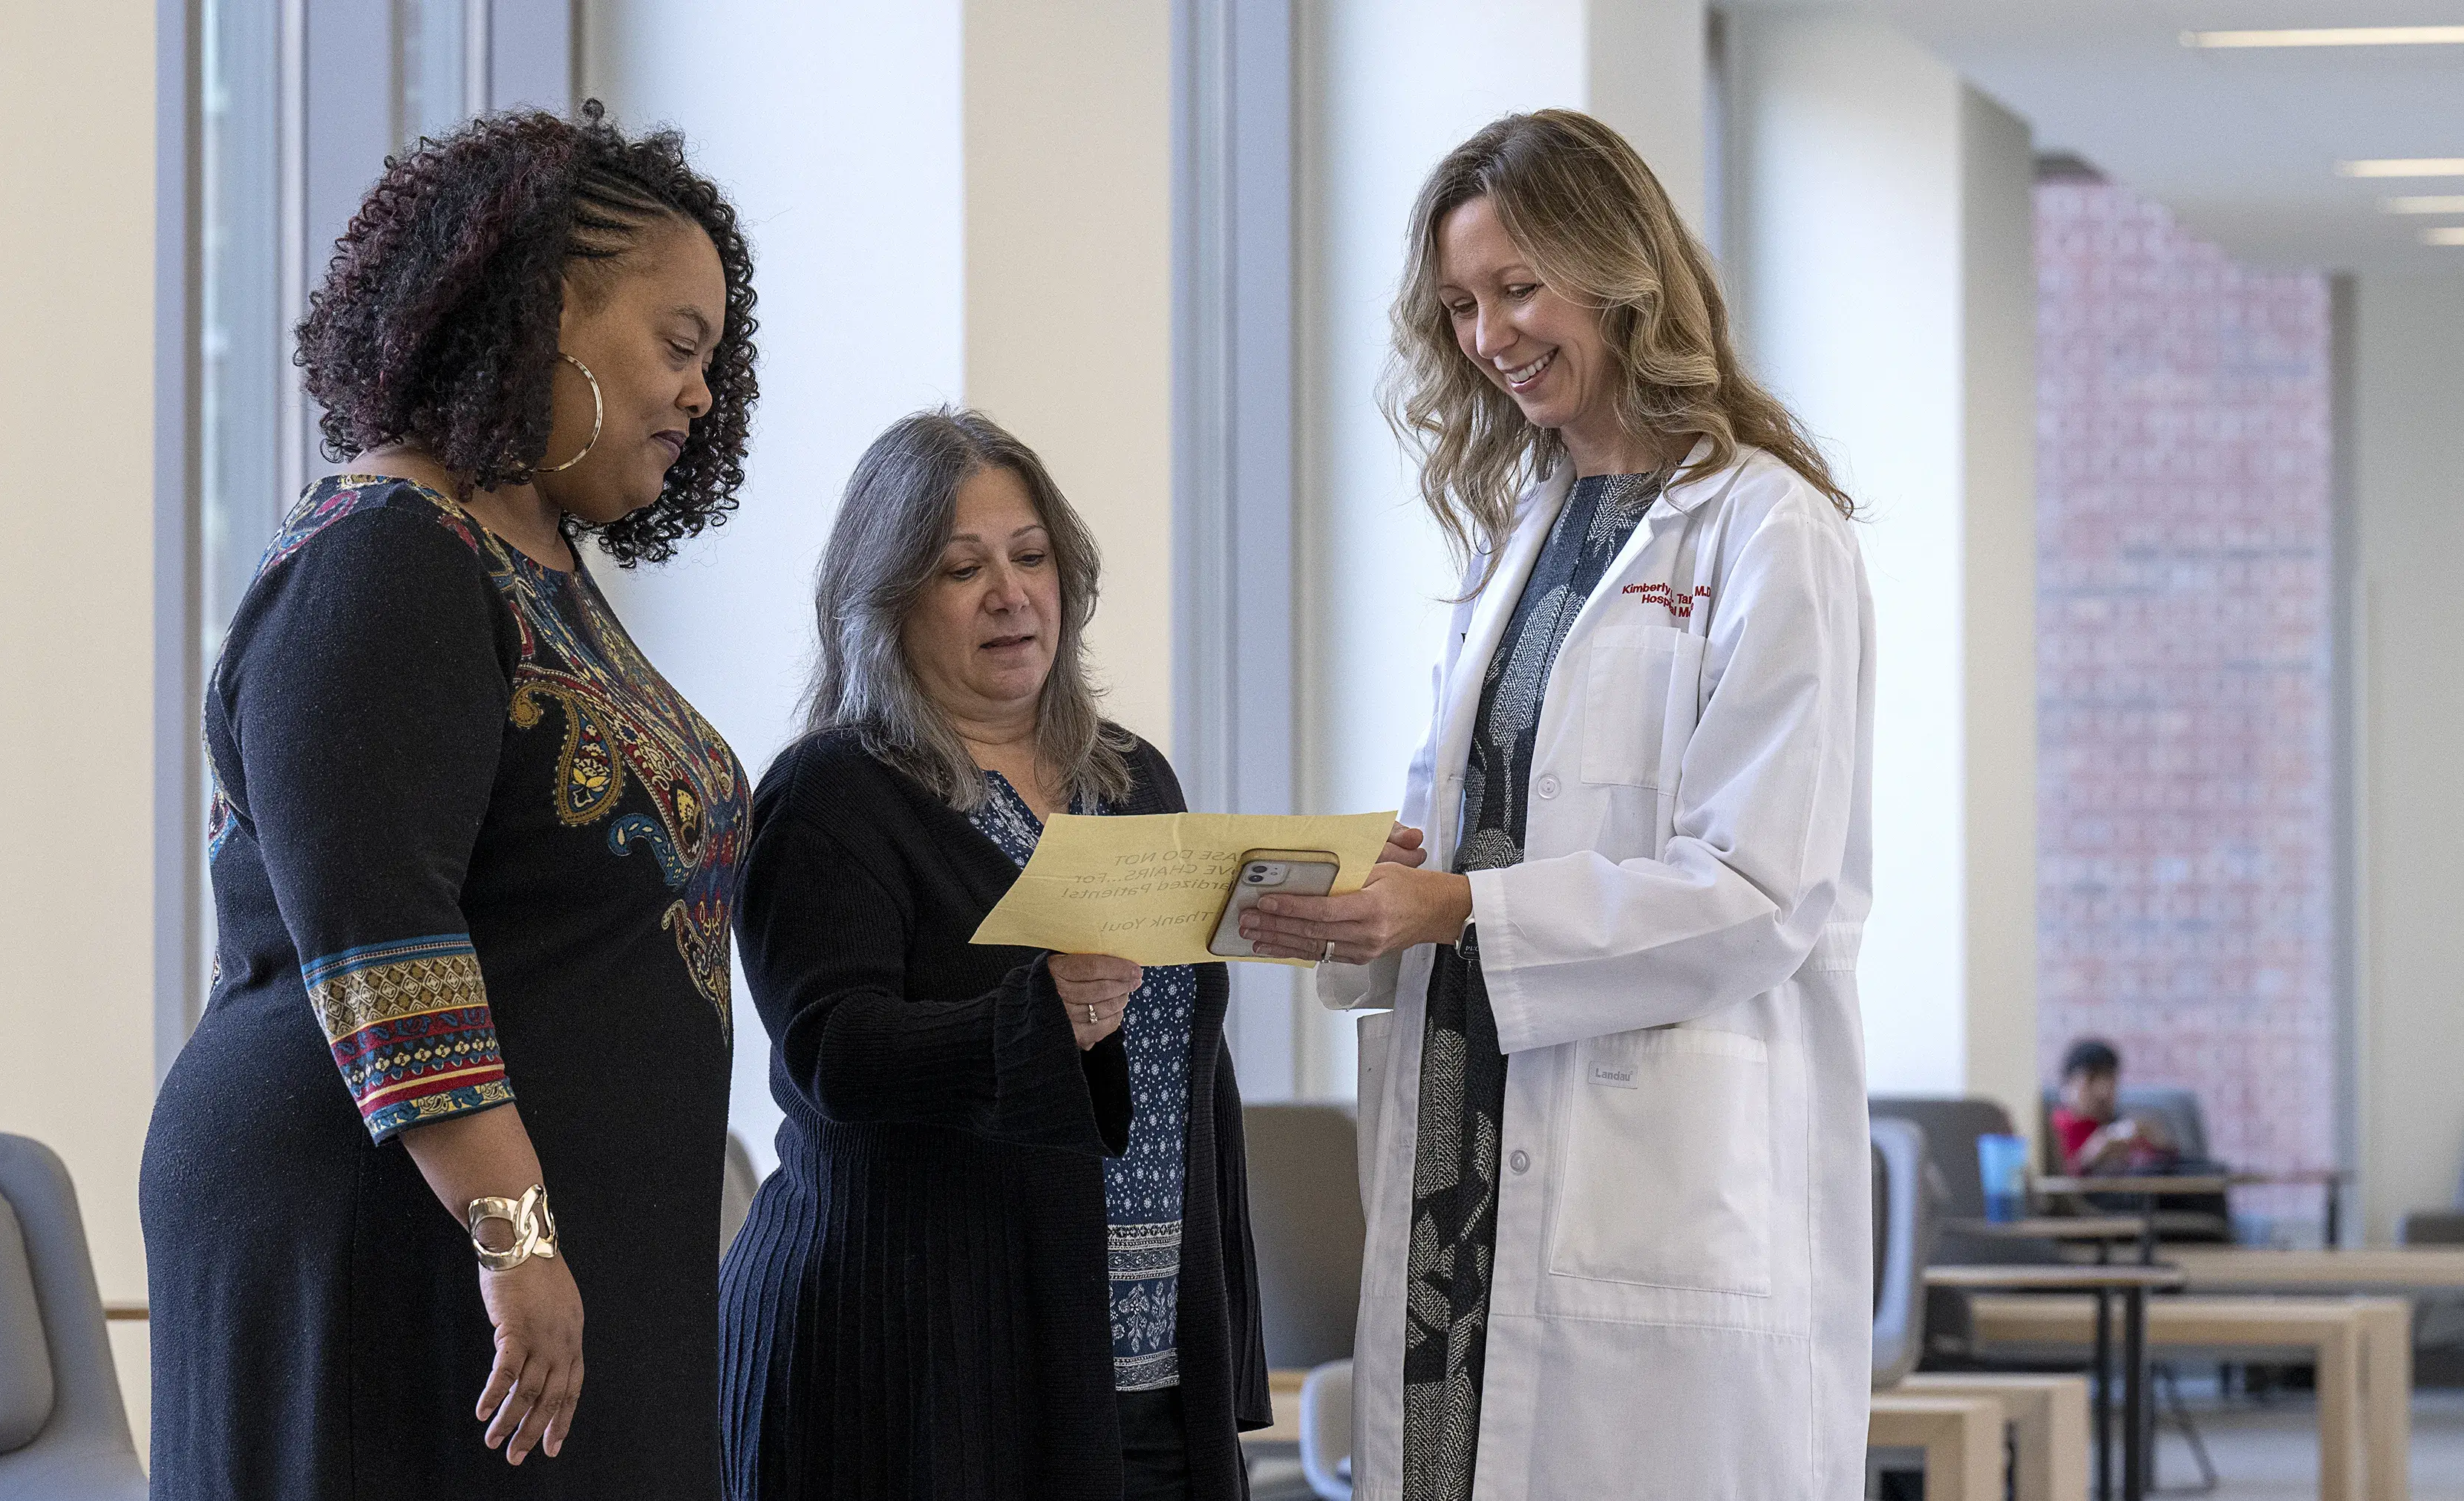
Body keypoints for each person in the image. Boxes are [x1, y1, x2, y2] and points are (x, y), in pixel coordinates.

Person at [1238, 110, 1877, 1498]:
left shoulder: (1770, 531)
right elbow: (1472, 828)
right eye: (1461, 303)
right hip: (1467, 1124)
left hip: (1654, 1167)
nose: (1487, 334)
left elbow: (1762, 891)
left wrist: (1458, 902)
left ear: (1622, 273)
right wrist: (1367, 903)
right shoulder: (1516, 536)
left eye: (1518, 287)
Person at [141, 103, 759, 1500]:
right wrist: (514, 1233)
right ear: (540, 311)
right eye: (677, 345)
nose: (700, 395)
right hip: (391, 1237)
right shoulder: (390, 557)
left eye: (713, 360)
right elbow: (379, 930)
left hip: (545, 1246)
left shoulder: (526, 561)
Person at [719, 408, 1269, 1500]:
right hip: (913, 1362)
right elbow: (828, 1049)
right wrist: (1031, 1017)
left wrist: (1228, 1349)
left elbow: (1191, 1081)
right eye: (959, 568)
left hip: (1148, 1369)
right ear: (885, 604)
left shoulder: (1131, 778)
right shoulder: (832, 793)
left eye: (1030, 557)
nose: (1009, 593)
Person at [2051, 1038, 2178, 1174]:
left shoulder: (2126, 1127)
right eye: (2091, 1079)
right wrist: (2088, 1159)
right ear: (2068, 1084)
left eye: (2110, 1079)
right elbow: (2053, 1182)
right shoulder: (2054, 1130)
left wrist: (2159, 1144)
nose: (2103, 1091)